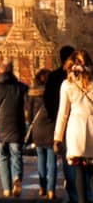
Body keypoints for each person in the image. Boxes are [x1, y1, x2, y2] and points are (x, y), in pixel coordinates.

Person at [0, 58, 29, 197]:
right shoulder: (21, 88)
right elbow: (28, 107)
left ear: (0, 70)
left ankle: (7, 188)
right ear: (12, 70)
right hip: (17, 128)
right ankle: (17, 177)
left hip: (1, 130)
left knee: (3, 157)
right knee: (16, 155)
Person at [54, 50, 93, 203]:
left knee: (79, 171)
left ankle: (82, 200)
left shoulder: (67, 84)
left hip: (76, 129)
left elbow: (63, 113)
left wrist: (57, 137)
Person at [47, 47, 81, 203]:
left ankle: (74, 193)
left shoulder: (55, 77)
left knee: (69, 159)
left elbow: (49, 101)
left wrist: (56, 127)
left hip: (66, 124)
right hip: (82, 123)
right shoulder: (82, 77)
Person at [30, 67, 59, 200]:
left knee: (41, 160)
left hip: (37, 131)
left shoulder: (32, 94)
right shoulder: (55, 94)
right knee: (52, 162)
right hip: (51, 131)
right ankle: (51, 190)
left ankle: (42, 187)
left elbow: (28, 114)